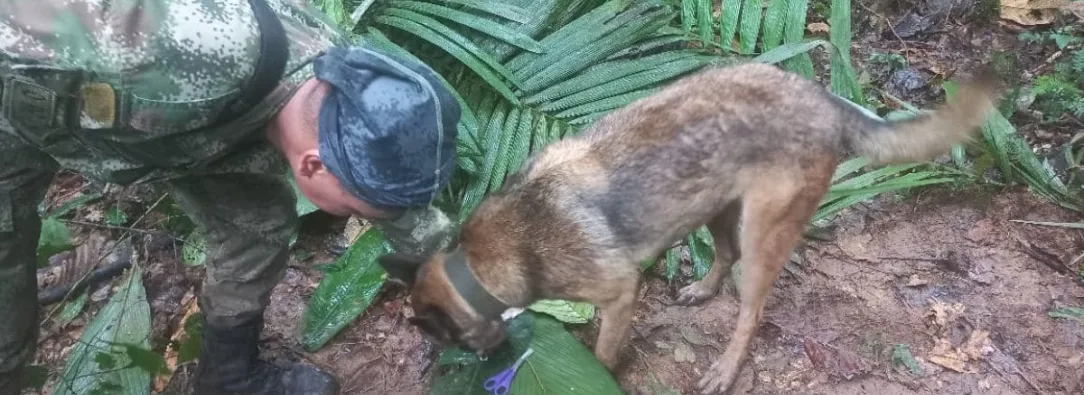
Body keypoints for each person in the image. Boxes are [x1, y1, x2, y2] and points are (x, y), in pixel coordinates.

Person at [0, 0, 460, 394]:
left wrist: (465, 277)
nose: (360, 215)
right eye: (355, 210)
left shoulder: (342, 82)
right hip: (20, 99)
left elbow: (389, 199)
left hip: (197, 128)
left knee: (256, 227)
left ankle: (228, 378)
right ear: (313, 165)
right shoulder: (157, 51)